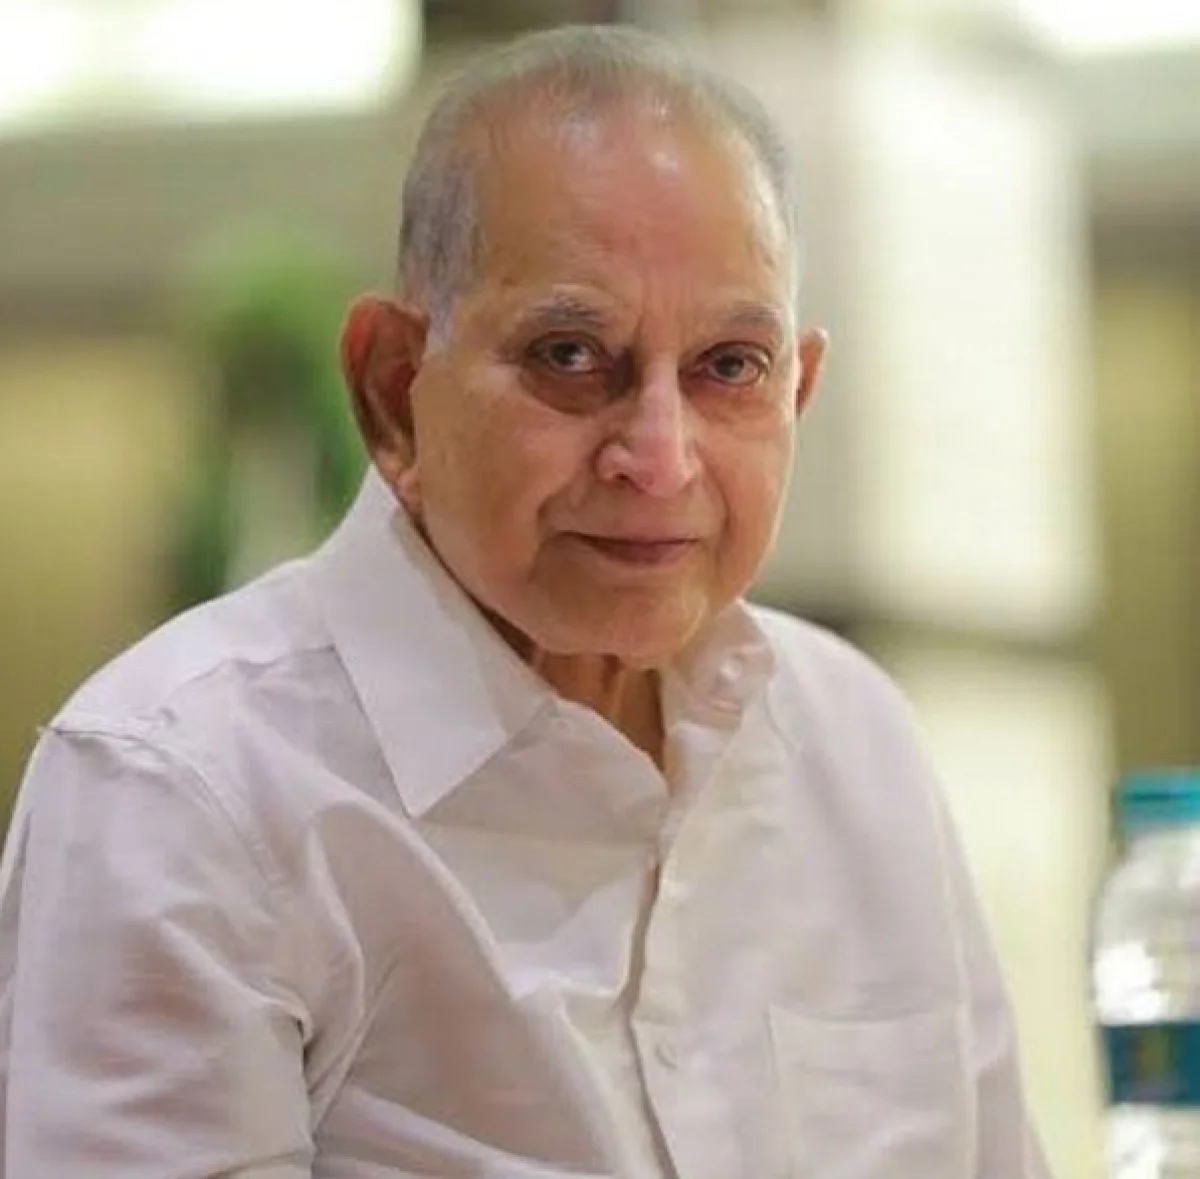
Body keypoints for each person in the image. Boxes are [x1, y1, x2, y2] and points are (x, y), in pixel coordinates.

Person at [0, 23, 1050, 1179]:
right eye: (570, 355)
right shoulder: (185, 789)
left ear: (797, 392)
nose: (661, 459)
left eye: (729, 368)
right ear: (393, 390)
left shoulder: (854, 738)